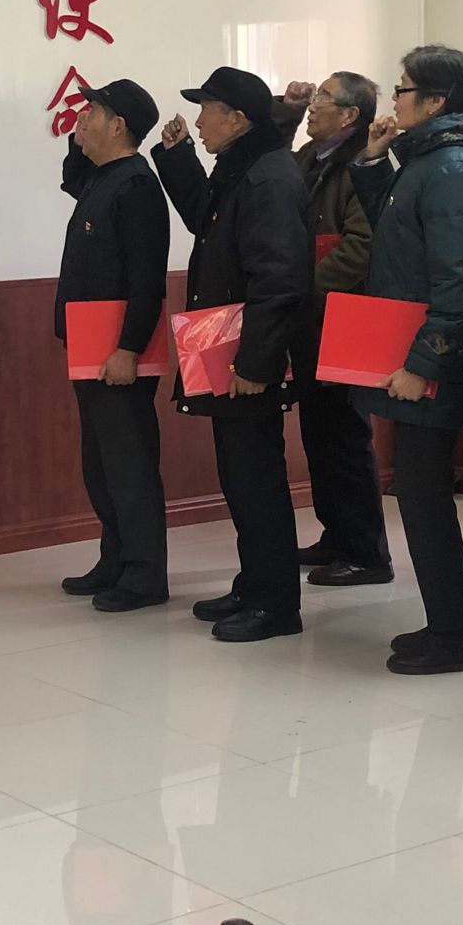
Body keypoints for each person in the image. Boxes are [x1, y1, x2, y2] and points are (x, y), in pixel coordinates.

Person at [346, 47, 463, 675]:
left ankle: (455, 636)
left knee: (424, 496)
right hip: (418, 352)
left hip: (434, 360)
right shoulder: (428, 160)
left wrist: (423, 364)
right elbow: (400, 230)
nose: (394, 99)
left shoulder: (453, 168)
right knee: (417, 494)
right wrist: (370, 162)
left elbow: (462, 282)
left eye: (403, 89)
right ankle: (448, 619)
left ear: (437, 101)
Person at [154, 67, 313, 642]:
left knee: (257, 478)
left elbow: (280, 279)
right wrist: (178, 158)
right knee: (239, 475)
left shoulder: (269, 176)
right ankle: (254, 584)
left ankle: (276, 605)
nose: (198, 122)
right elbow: (206, 218)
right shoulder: (242, 165)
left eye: (207, 111)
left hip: (247, 351)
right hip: (224, 341)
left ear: (238, 118)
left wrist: (255, 363)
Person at [55, 78, 171, 612]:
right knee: (100, 463)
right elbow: (71, 174)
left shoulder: (137, 186)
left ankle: (144, 575)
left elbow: (147, 278)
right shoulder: (101, 177)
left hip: (117, 352)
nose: (83, 118)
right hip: (88, 344)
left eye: (94, 111)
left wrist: (129, 348)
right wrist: (77, 135)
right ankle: (115, 558)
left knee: (129, 464)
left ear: (119, 125)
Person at [274, 72, 393, 588]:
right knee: (318, 433)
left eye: (324, 97)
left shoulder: (360, 163)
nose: (314, 105)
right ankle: (337, 534)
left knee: (344, 436)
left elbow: (363, 245)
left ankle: (367, 552)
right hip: (311, 318)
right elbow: (273, 171)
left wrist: (305, 287)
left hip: (343, 318)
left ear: (349, 115)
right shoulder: (310, 156)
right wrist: (286, 113)